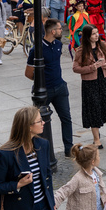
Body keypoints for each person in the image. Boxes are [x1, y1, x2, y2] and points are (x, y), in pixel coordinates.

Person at [25, 19, 75, 158]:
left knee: (66, 118)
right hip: (44, 92)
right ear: (53, 31)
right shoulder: (37, 49)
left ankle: (69, 149)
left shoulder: (59, 44)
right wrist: (41, 83)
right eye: (59, 29)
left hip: (60, 88)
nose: (61, 31)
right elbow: (28, 73)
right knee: (40, 122)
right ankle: (42, 152)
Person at [73, 26, 106, 150]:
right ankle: (96, 139)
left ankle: (96, 129)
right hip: (90, 83)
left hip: (103, 80)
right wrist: (93, 67)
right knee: (93, 109)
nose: (96, 35)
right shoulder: (81, 50)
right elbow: (75, 68)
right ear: (88, 36)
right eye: (93, 34)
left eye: (97, 32)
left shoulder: (102, 45)